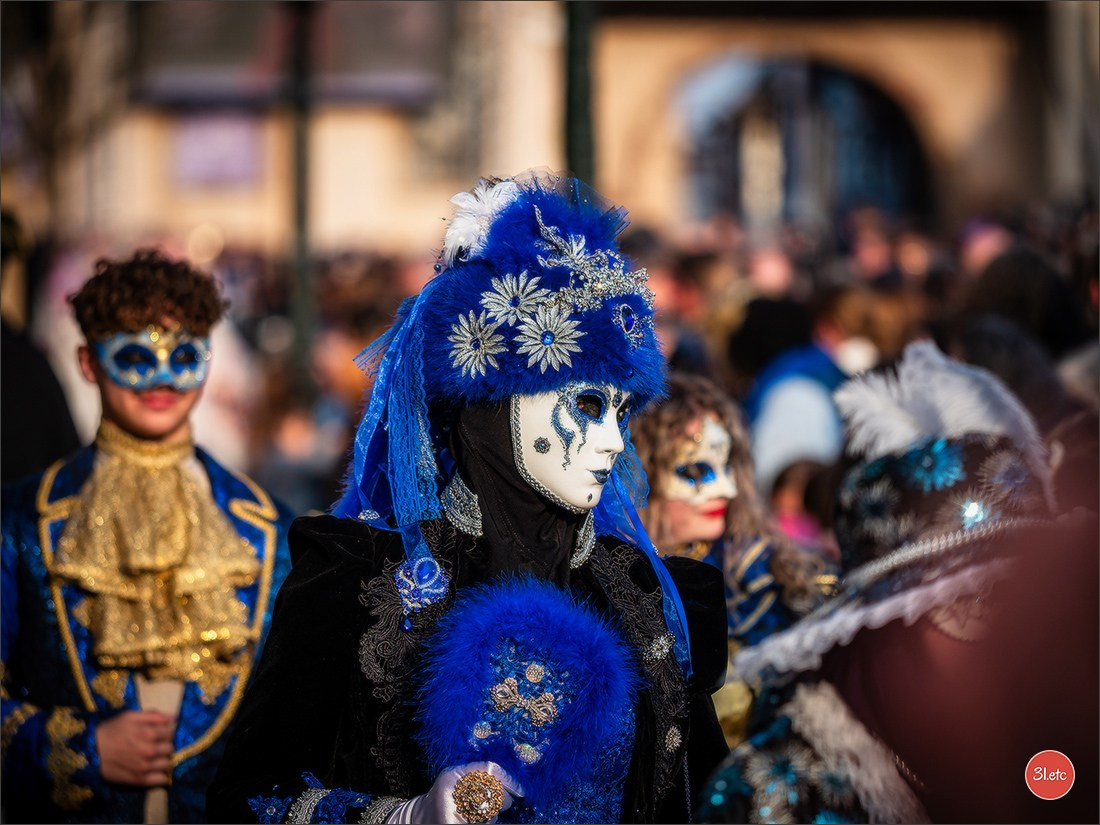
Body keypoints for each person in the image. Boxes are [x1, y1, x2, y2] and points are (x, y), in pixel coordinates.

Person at [206, 172, 730, 824]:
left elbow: (704, 799)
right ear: (491, 403)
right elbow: (246, 799)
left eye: (621, 412)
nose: (609, 442)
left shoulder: (642, 595)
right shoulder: (358, 584)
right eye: (587, 404)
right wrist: (404, 817)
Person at [698, 340, 1097, 823]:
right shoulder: (777, 796)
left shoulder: (1062, 736)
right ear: (886, 624)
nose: (1011, 637)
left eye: (1026, 597)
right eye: (969, 601)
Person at [1, 249, 295, 823]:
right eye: (135, 356)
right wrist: (77, 750)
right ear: (89, 362)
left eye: (183, 356)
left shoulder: (270, 531)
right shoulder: (20, 522)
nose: (161, 378)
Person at [631, 372, 833, 747]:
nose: (727, 488)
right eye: (695, 471)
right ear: (639, 474)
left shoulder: (766, 579)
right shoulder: (611, 576)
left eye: (727, 467)